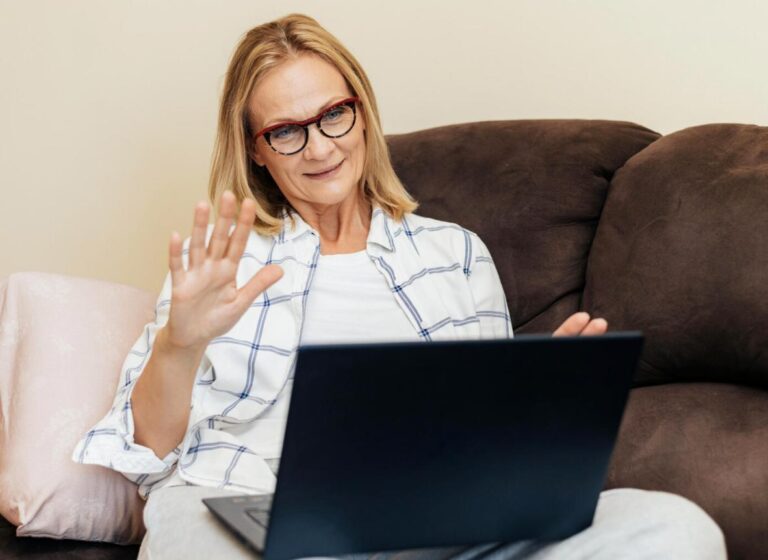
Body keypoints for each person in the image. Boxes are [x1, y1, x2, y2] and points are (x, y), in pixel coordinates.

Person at [73, 13, 726, 560]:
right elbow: (147, 456)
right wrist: (179, 343)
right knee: (183, 534)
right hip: (251, 519)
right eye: (286, 131)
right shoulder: (217, 263)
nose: (319, 147)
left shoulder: (455, 253)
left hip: (433, 523)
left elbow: (487, 449)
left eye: (333, 114)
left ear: (362, 112)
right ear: (256, 151)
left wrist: (545, 401)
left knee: (674, 528)